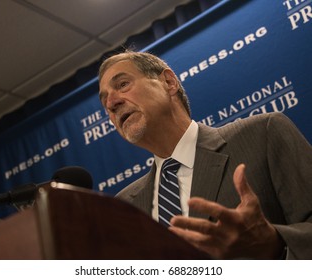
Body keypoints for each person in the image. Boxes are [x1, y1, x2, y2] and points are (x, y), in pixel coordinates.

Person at [98, 50, 312, 259]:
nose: (111, 103)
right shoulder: (125, 206)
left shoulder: (262, 134)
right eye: (104, 101)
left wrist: (275, 245)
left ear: (169, 82)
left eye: (123, 84)